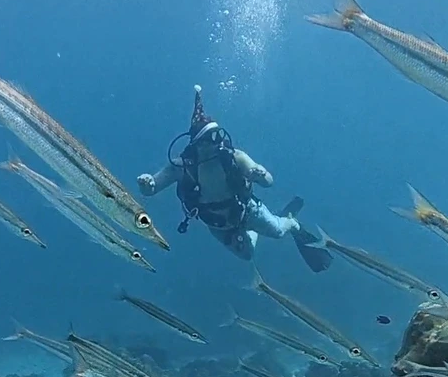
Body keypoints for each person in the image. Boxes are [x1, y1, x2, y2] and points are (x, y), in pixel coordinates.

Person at [138, 89, 331, 270]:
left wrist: (259, 174)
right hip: (217, 225)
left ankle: (291, 222)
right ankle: (251, 233)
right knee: (247, 254)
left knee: (279, 232)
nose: (216, 144)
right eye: (209, 139)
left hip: (247, 211)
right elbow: (152, 188)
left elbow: (268, 181)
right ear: (197, 143)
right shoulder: (182, 167)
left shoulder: (234, 157)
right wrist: (148, 182)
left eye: (217, 137)